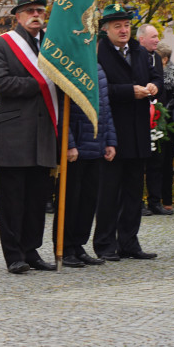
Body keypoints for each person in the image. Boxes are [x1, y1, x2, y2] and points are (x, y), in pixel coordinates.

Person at [0, 0, 60, 274]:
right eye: (30, 11)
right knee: (12, 198)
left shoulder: (51, 46)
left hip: (43, 132)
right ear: (18, 16)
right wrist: (40, 83)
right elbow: (0, 84)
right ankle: (13, 255)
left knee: (36, 198)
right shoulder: (1, 45)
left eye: (40, 11)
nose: (36, 15)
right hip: (14, 133)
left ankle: (31, 250)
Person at [93, 4, 160, 262]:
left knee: (134, 192)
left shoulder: (140, 52)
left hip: (139, 130)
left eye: (127, 26)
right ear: (106, 29)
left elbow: (155, 77)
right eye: (118, 26)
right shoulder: (99, 53)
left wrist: (153, 87)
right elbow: (98, 89)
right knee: (109, 192)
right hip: (113, 132)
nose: (123, 30)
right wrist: (128, 91)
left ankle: (129, 243)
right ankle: (105, 244)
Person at [57, 64, 116, 267]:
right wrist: (69, 143)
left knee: (88, 201)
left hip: (97, 144)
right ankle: (65, 247)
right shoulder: (67, 65)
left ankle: (79, 245)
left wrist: (110, 141)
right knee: (71, 200)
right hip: (77, 147)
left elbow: (106, 109)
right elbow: (61, 110)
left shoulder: (99, 69)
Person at [136, 24, 171, 216]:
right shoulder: (134, 55)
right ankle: (138, 202)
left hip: (156, 115)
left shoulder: (157, 57)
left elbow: (160, 83)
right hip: (140, 113)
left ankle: (155, 201)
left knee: (157, 161)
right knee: (139, 163)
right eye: (153, 36)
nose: (157, 40)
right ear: (142, 39)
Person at [154, 41, 174, 213]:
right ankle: (155, 199)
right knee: (154, 164)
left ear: (164, 59)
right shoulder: (154, 74)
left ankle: (167, 200)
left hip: (169, 124)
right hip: (154, 121)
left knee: (166, 164)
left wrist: (165, 112)